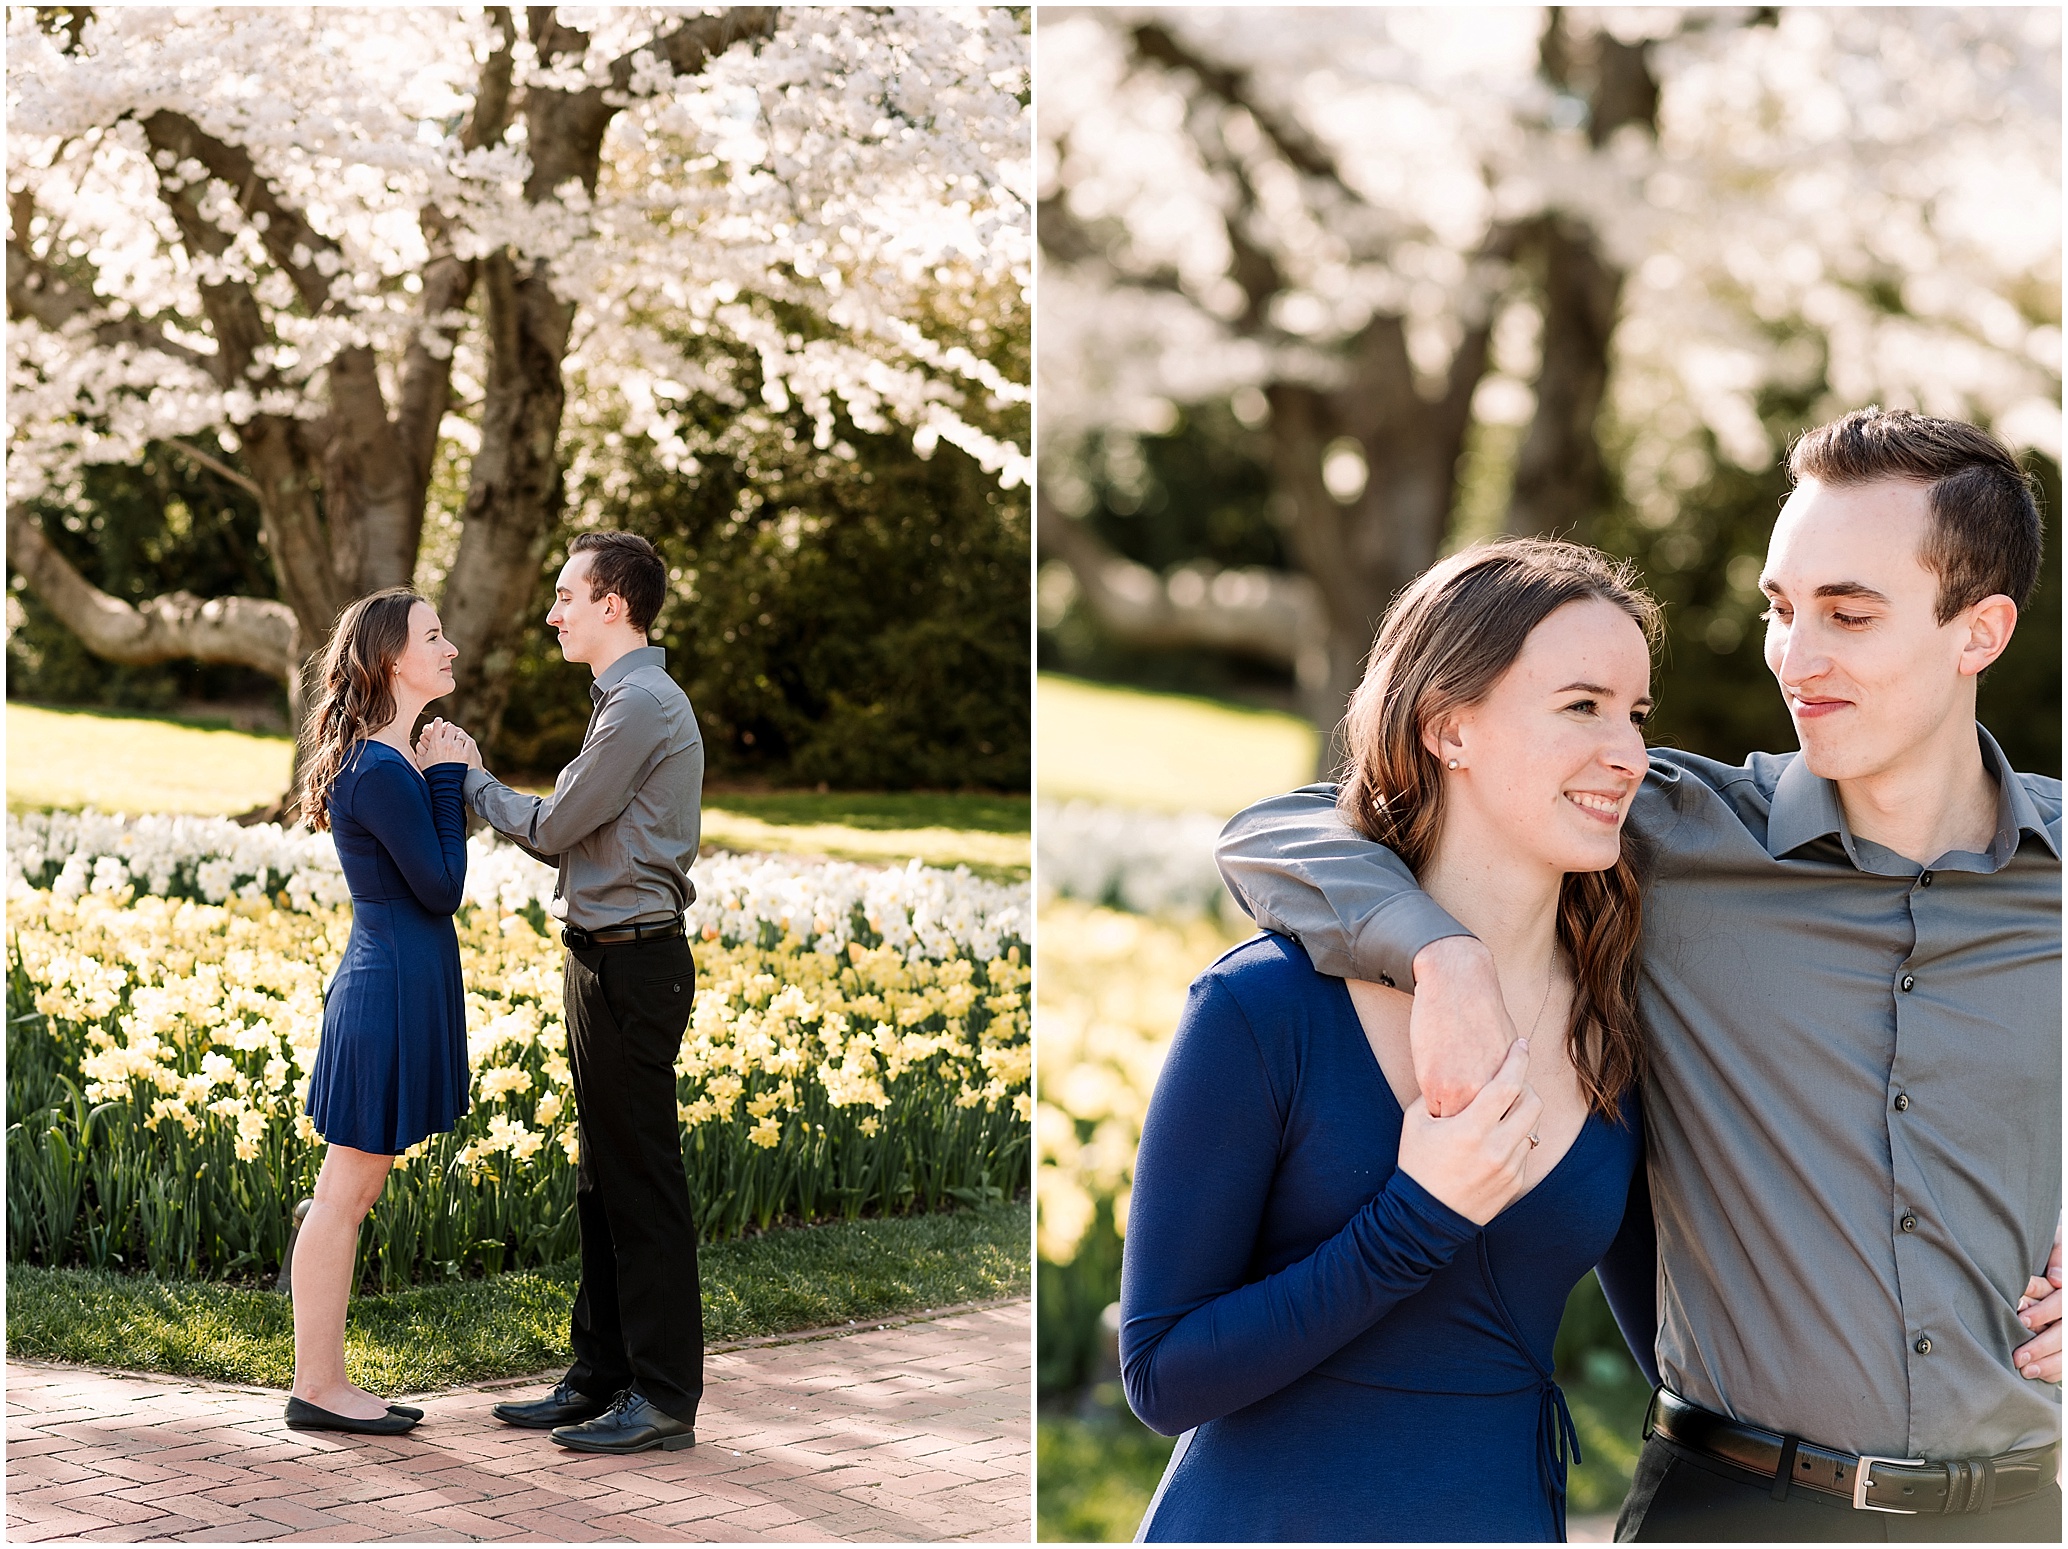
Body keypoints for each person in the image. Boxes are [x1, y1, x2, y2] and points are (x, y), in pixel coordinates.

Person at [1215, 408, 2062, 1540]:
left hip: (2009, 1517)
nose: (1793, 659)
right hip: (1732, 1508)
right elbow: (1282, 829)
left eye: (1847, 616)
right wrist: (1440, 952)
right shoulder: (1665, 837)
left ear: (1981, 631)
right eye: (1781, 608)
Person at [1126, 539, 1662, 1541]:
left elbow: (1689, 1349)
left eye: (1635, 714)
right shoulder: (1264, 1008)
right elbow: (1160, 1376)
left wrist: (2000, 1295)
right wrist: (1414, 1219)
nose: (1628, 752)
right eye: (1581, 706)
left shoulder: (1616, 1031)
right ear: (1449, 727)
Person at [424, 531, 705, 1456]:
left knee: (641, 1182)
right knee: (602, 1177)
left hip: (634, 964)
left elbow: (555, 827)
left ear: (613, 605)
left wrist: (469, 781)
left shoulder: (640, 706)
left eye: (567, 597)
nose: (554, 613)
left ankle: (662, 1396)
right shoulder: (620, 701)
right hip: (601, 956)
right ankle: (601, 1373)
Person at [288, 587, 477, 1436]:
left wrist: (437, 775)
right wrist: (447, 781)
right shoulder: (384, 768)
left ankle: (320, 1382)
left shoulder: (383, 761)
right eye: (434, 636)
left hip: (396, 983)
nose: (451, 648)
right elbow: (441, 888)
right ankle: (317, 1387)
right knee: (342, 1197)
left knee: (346, 1193)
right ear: (394, 658)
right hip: (387, 992)